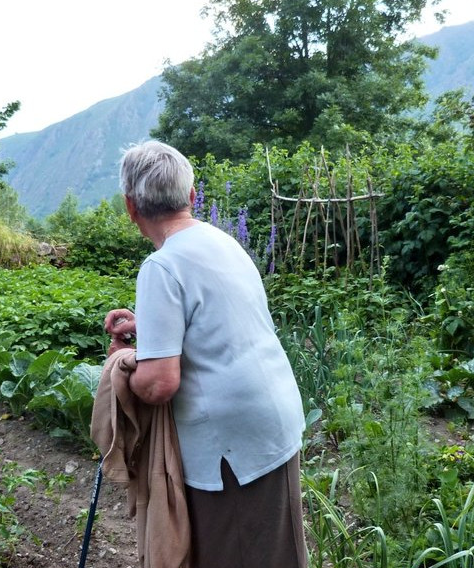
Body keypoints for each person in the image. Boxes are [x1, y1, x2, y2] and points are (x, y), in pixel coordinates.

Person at [103, 140, 308, 568]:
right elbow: (219, 318)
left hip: (231, 445)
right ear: (192, 197)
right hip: (271, 422)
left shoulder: (161, 265)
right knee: (275, 553)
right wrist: (151, 327)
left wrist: (121, 366)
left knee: (233, 554)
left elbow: (159, 384)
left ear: (131, 207)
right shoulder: (222, 242)